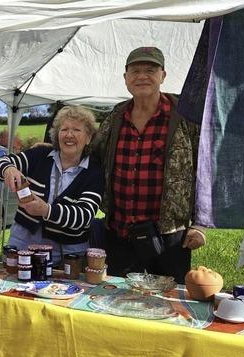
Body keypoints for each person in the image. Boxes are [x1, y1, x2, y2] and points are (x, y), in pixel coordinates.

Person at [91, 46, 205, 284]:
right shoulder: (115, 117)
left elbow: (206, 169)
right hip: (119, 234)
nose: (142, 76)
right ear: (125, 78)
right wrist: (44, 152)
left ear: (163, 75)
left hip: (169, 237)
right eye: (135, 71)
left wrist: (201, 224)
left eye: (150, 70)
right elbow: (91, 156)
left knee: (169, 301)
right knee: (117, 298)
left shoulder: (185, 116)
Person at [0, 106, 104, 264]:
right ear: (57, 134)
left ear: (89, 138)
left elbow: (83, 216)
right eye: (64, 129)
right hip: (23, 243)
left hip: (67, 254)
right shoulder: (40, 155)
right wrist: (8, 169)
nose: (69, 135)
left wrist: (46, 210)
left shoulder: (94, 172)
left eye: (77, 130)